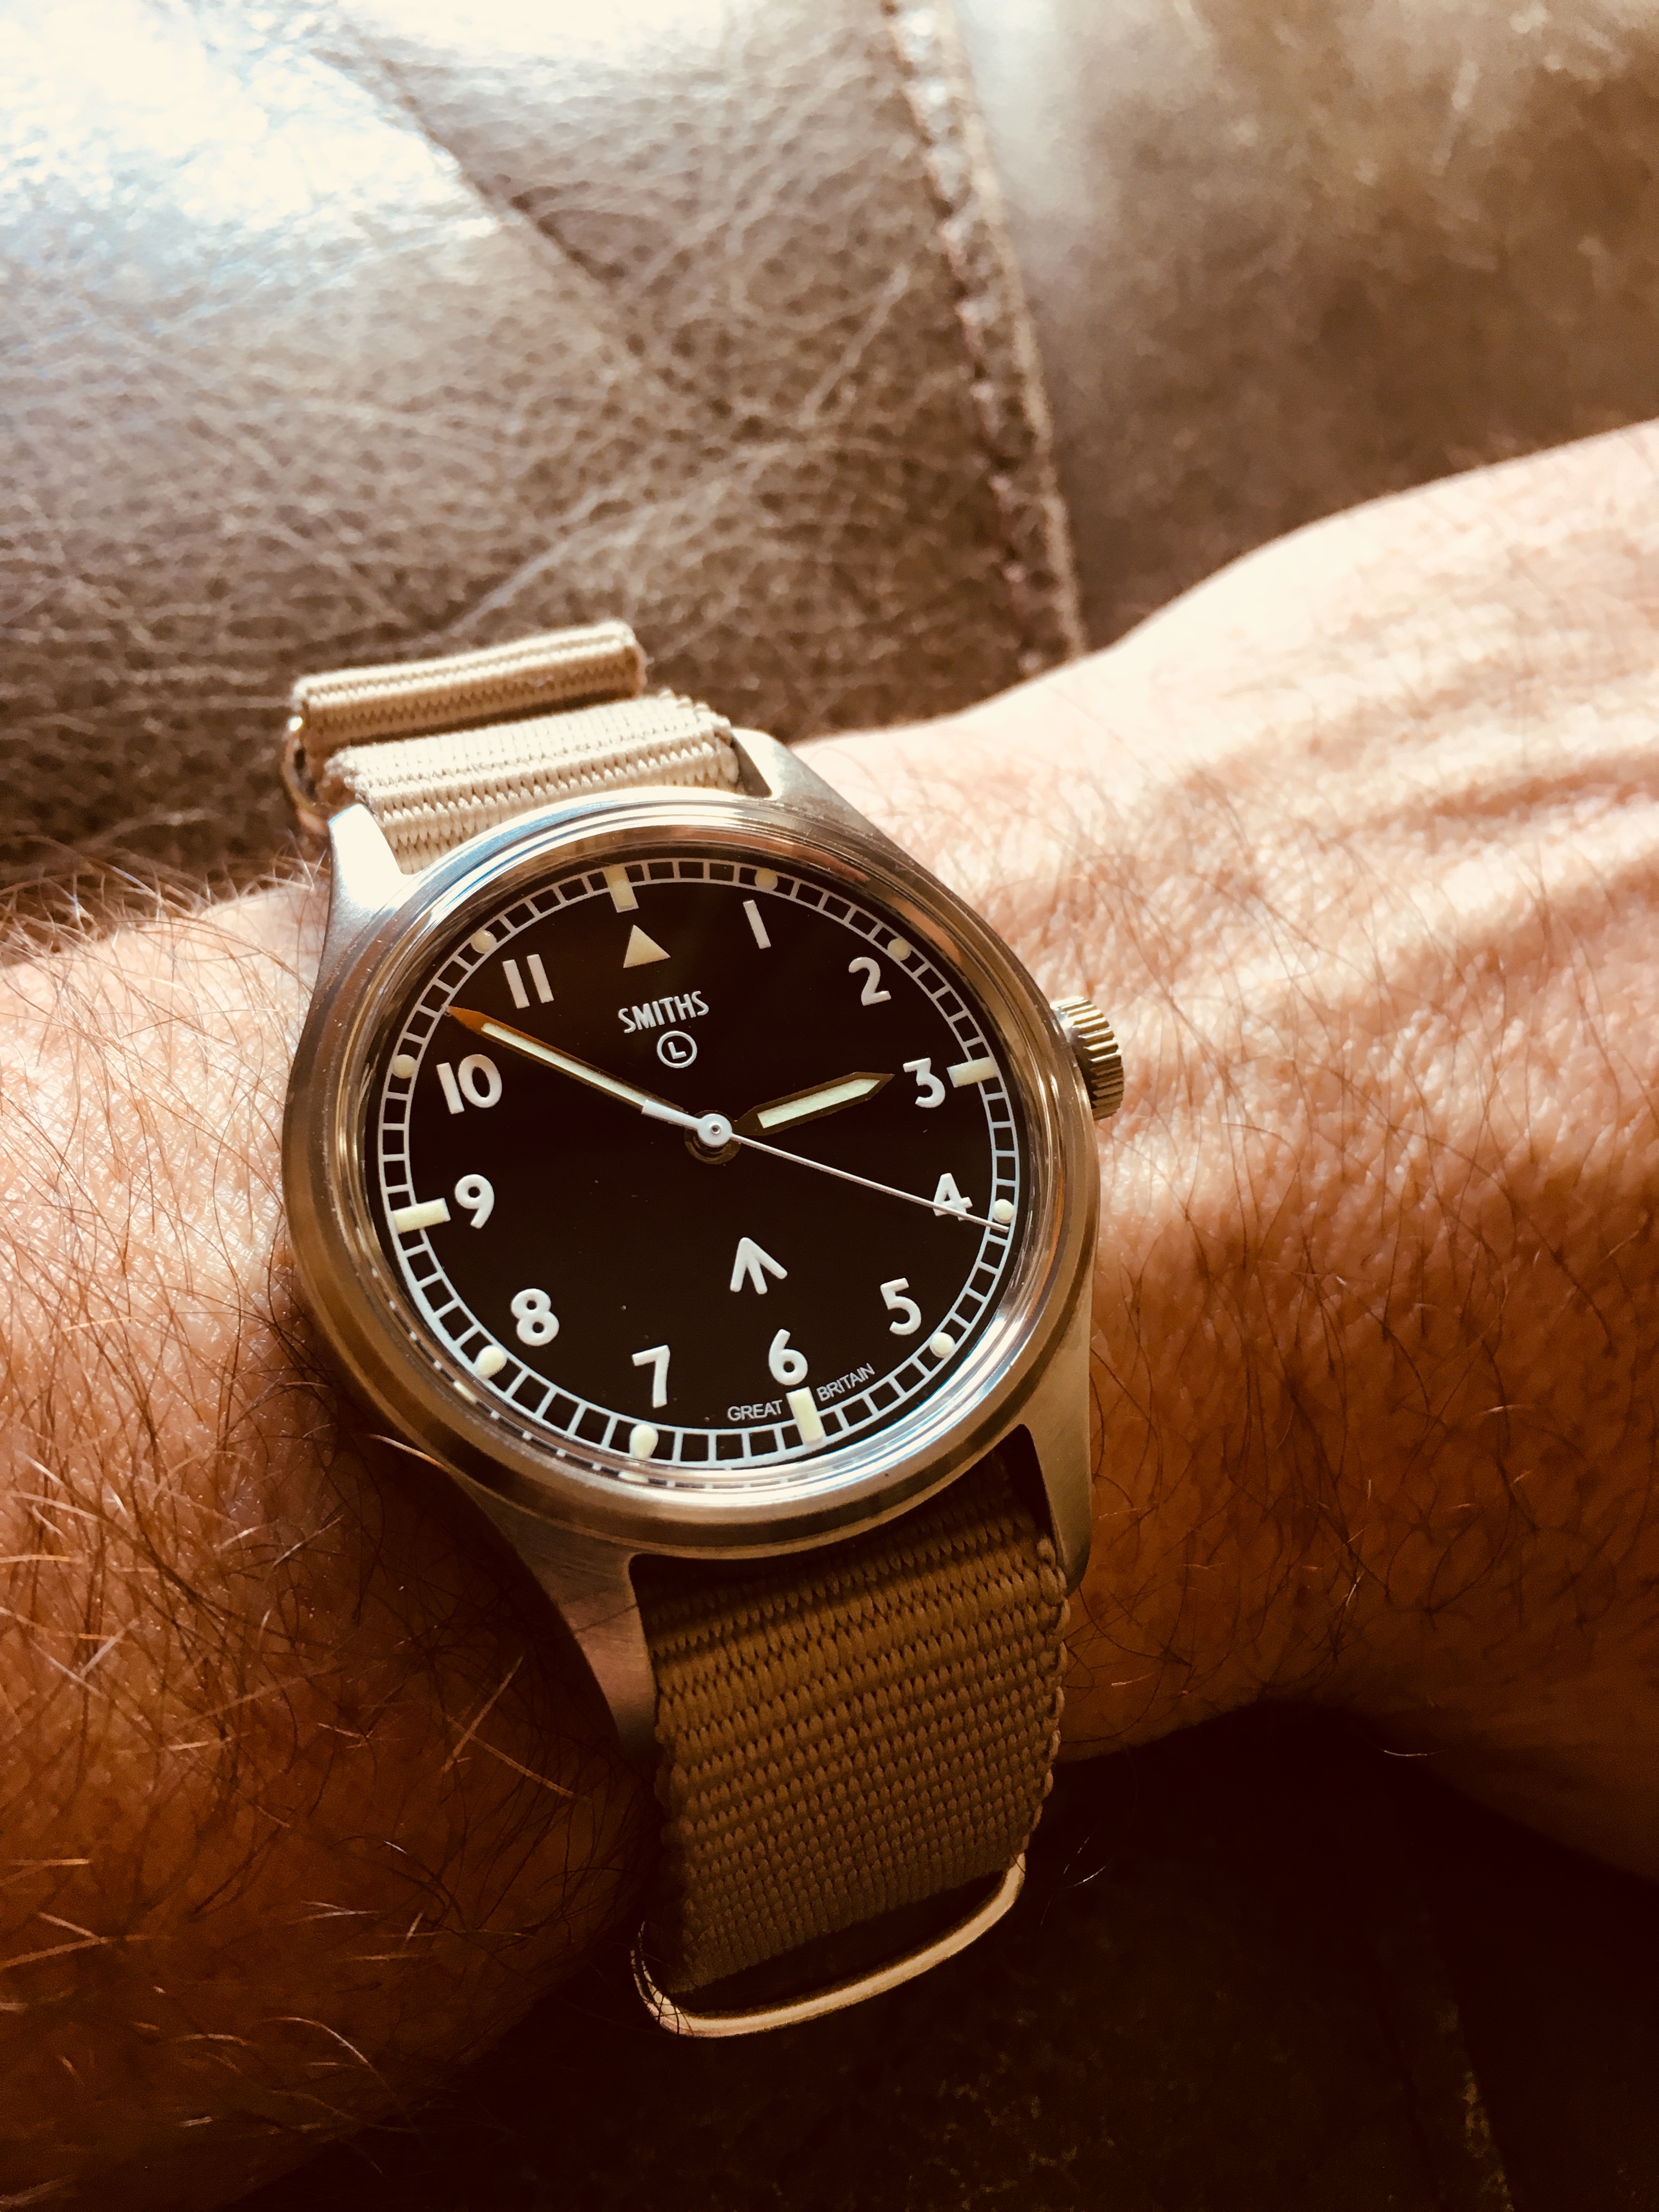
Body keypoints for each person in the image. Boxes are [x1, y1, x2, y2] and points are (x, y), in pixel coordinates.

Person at [5, 420, 1657, 2207]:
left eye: (740, 1125)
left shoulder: (974, 1105)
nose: (716, 1140)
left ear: (1068, 1068)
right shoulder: (416, 1198)